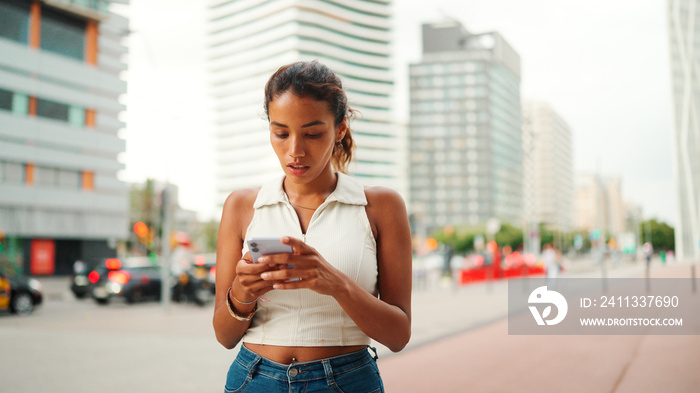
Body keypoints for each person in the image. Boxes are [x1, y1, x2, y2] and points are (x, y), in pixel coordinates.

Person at [213, 60, 412, 392]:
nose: (295, 151)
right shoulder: (242, 206)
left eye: (313, 133)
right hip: (254, 378)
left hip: (347, 381)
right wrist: (242, 294)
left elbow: (398, 335)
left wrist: (334, 282)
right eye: (281, 133)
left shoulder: (381, 206)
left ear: (341, 128)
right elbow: (223, 336)